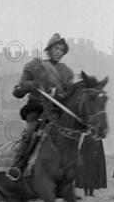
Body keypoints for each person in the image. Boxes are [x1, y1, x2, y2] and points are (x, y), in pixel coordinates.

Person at [7, 33, 75, 180]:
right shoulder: (34, 66)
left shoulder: (67, 72)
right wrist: (32, 85)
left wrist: (61, 95)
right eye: (55, 48)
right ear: (49, 50)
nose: (58, 51)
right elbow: (18, 90)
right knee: (30, 133)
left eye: (61, 49)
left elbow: (69, 94)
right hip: (36, 107)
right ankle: (17, 166)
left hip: (55, 112)